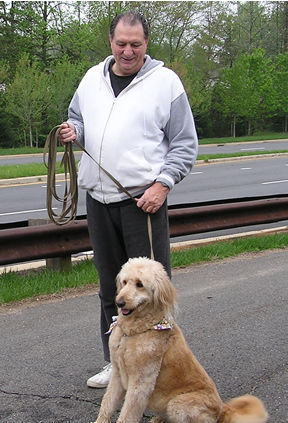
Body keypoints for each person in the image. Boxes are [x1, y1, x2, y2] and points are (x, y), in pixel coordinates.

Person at [59, 11, 198, 388]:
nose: (127, 51)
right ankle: (115, 362)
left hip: (143, 203)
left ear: (146, 44)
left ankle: (161, 366)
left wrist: (163, 184)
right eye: (121, 43)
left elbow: (185, 143)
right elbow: (78, 118)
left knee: (151, 293)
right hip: (98, 201)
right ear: (111, 42)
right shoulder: (91, 79)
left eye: (135, 44)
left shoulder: (165, 83)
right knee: (112, 289)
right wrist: (75, 130)